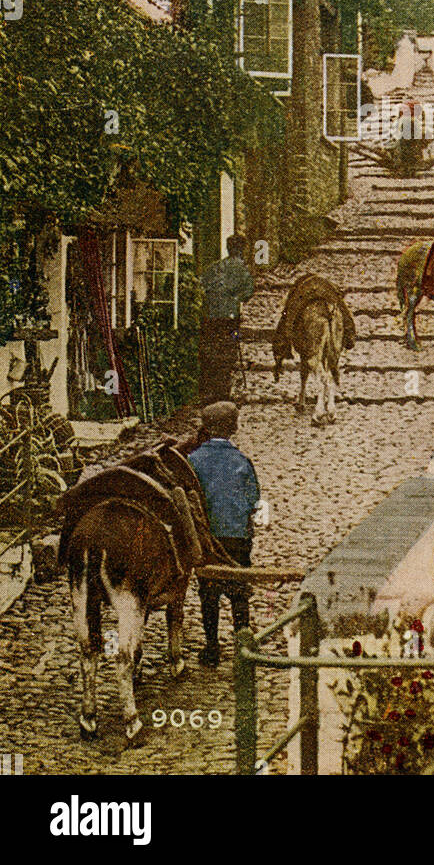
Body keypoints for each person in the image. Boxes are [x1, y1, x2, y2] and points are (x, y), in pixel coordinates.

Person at [187, 401, 260, 666]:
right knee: (239, 592)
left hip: (207, 539)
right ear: (233, 428)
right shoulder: (242, 461)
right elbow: (254, 497)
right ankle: (243, 648)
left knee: (209, 593)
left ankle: (211, 647)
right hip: (237, 537)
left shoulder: (193, 460)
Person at [199, 235, 255, 403]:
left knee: (212, 350)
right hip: (230, 319)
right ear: (241, 249)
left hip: (210, 318)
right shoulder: (242, 269)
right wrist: (236, 298)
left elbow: (204, 284)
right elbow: (248, 292)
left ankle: (210, 388)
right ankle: (223, 391)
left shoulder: (216, 267)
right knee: (229, 349)